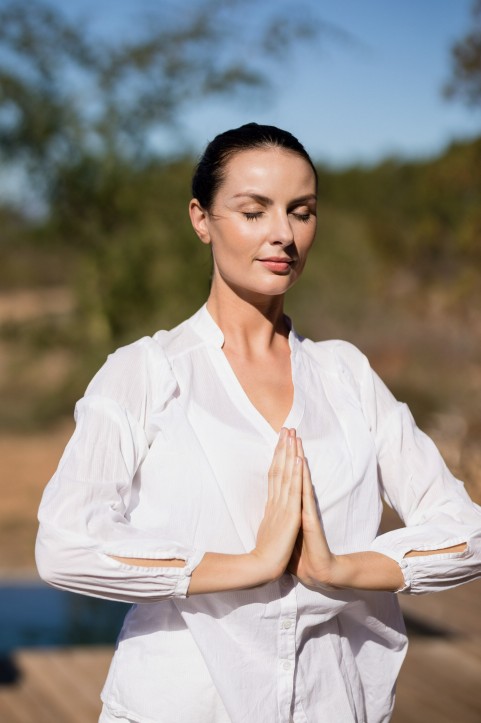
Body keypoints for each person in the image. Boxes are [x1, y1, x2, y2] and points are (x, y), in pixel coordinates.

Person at [36, 123, 481, 723]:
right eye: (253, 211)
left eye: (302, 212)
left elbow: (466, 533)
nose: (283, 235)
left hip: (335, 703)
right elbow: (66, 544)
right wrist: (248, 565)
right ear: (201, 219)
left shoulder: (345, 375)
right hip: (181, 706)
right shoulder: (146, 373)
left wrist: (339, 569)